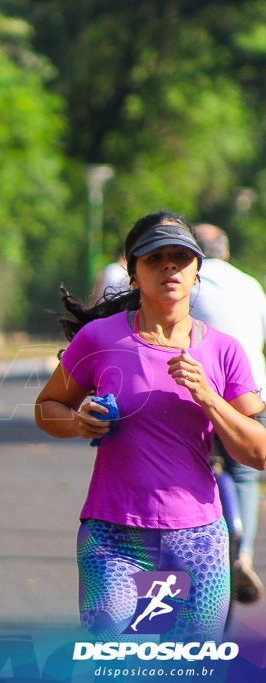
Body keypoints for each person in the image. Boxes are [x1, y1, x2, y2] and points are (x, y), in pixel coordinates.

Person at [34, 211, 266, 641]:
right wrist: (78, 423)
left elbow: (259, 451)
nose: (169, 267)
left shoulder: (223, 350)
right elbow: (47, 407)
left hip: (198, 541)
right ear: (133, 273)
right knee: (113, 652)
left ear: (197, 272)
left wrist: (210, 399)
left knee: (190, 665)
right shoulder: (100, 339)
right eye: (154, 257)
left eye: (181, 257)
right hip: (115, 537)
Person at [190, 223, 266, 604]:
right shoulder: (251, 284)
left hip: (195, 393)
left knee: (193, 465)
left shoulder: (187, 284)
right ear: (227, 251)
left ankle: (197, 557)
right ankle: (244, 554)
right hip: (251, 393)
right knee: (247, 476)